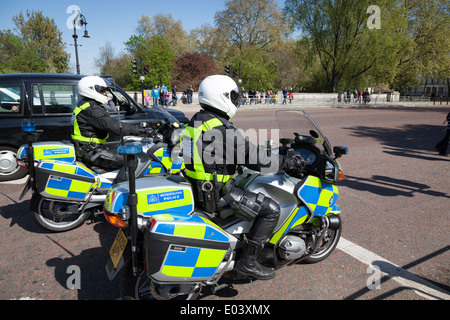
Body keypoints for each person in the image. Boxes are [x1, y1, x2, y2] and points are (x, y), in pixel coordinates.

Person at [181, 75, 304, 280]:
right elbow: (255, 158)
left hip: (199, 190)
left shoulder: (195, 122)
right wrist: (287, 162)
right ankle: (248, 262)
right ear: (222, 96)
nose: (236, 101)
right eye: (234, 96)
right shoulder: (220, 129)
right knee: (270, 210)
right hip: (219, 196)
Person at [71, 76, 152, 170]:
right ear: (90, 90)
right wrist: (143, 131)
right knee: (134, 161)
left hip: (89, 149)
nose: (105, 93)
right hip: (91, 152)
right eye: (102, 90)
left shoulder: (87, 105)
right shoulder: (91, 109)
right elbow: (113, 126)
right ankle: (121, 185)